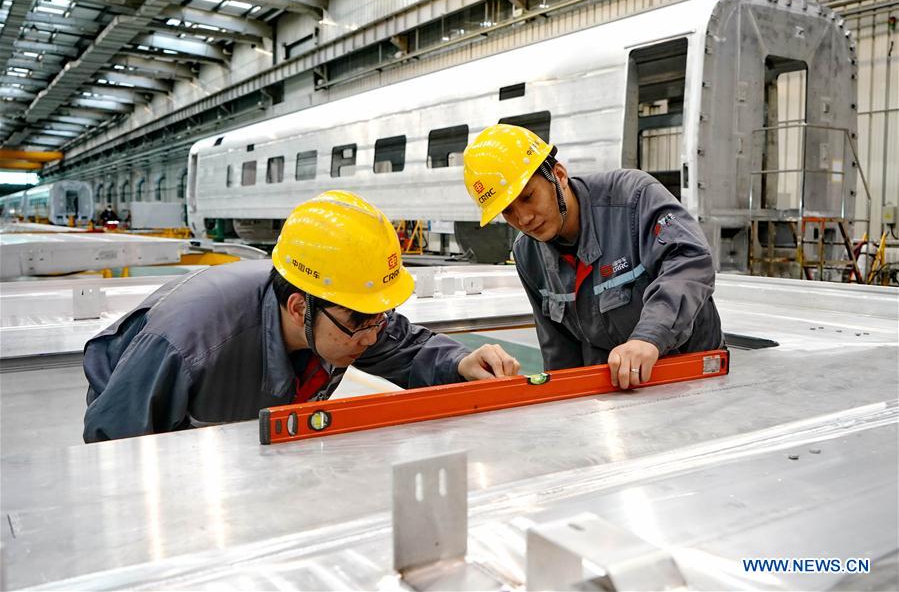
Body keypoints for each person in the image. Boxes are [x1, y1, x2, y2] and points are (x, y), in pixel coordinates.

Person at [83, 190, 520, 442]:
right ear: (298, 308)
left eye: (381, 316)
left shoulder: (341, 312)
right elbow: (112, 446)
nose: (373, 336)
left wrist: (460, 363)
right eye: (361, 322)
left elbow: (403, 345)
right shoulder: (188, 343)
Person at [462, 124, 723, 389]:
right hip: (617, 389)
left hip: (691, 375)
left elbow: (690, 262)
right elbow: (557, 345)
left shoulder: (633, 198)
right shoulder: (527, 253)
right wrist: (563, 401)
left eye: (528, 197)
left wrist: (649, 337)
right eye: (508, 211)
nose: (524, 218)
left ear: (559, 175)